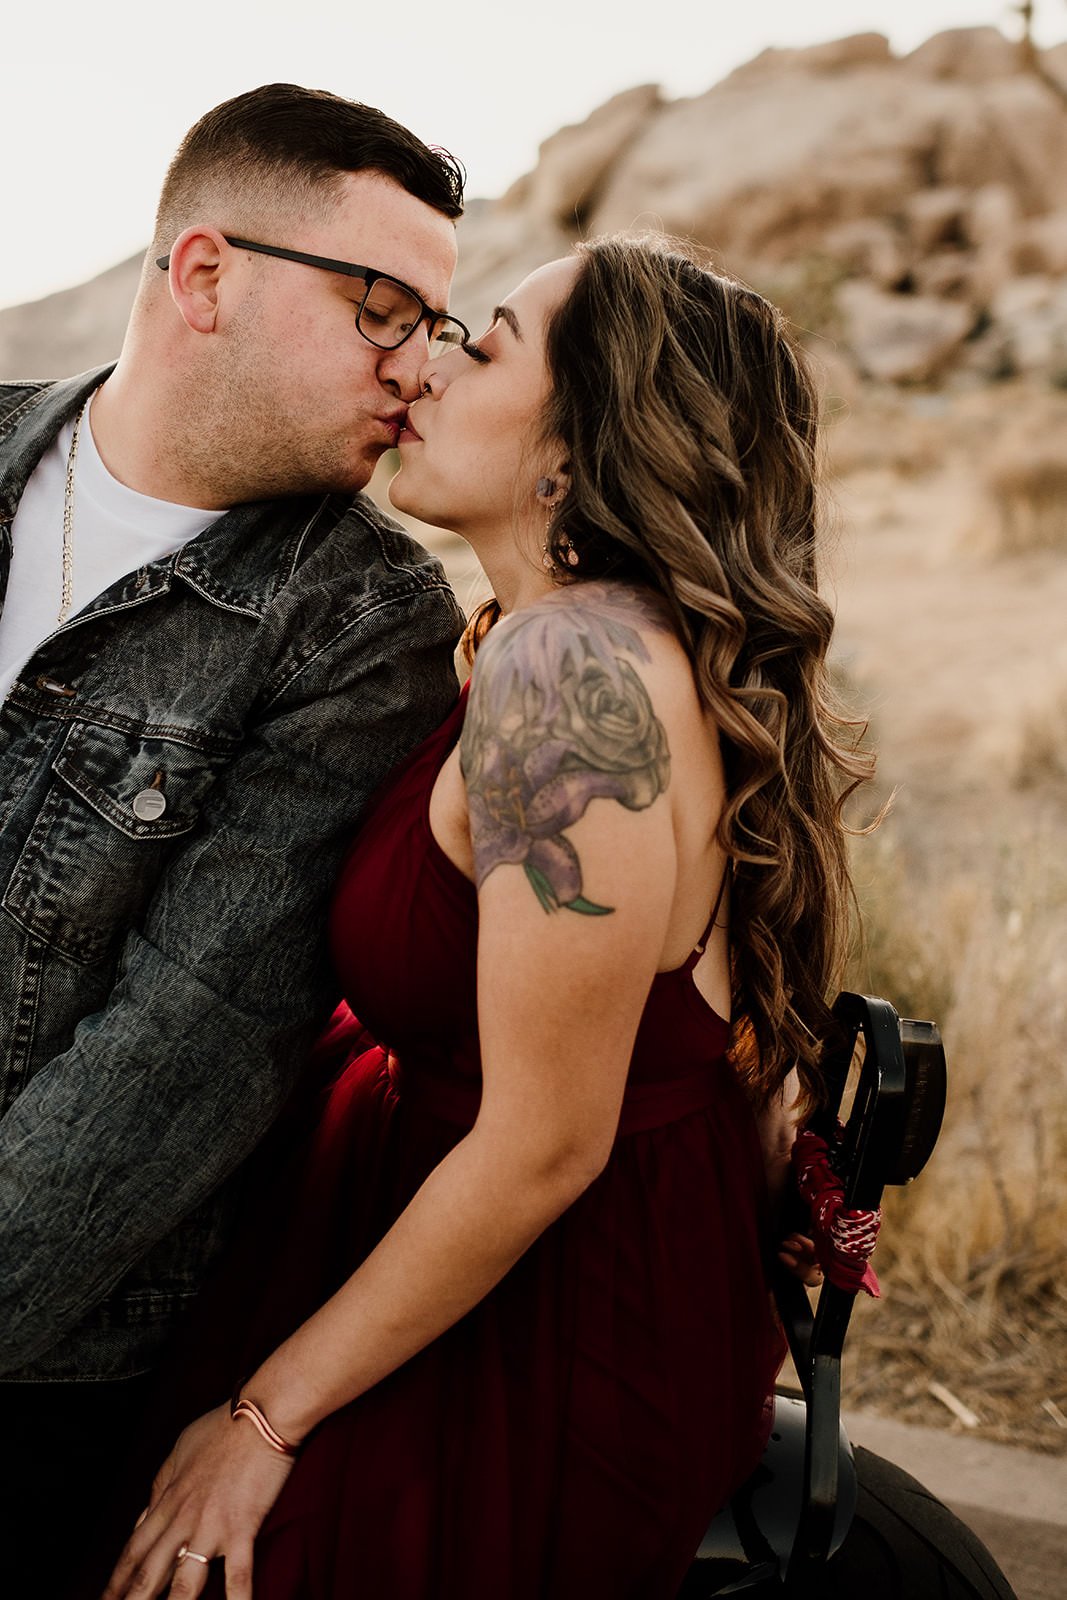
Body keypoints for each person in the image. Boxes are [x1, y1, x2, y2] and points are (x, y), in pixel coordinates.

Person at [105, 234, 872, 1600]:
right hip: (510, 1244)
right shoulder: (566, 638)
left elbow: (544, 1143)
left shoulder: (573, 669)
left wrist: (263, 1421)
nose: (426, 368)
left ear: (580, 443)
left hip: (553, 1317)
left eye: (487, 342)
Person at [0, 83, 471, 1593]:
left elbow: (190, 1042)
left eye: (438, 330)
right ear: (206, 276)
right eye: (382, 312)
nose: (420, 377)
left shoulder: (365, 622)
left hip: (35, 1357)